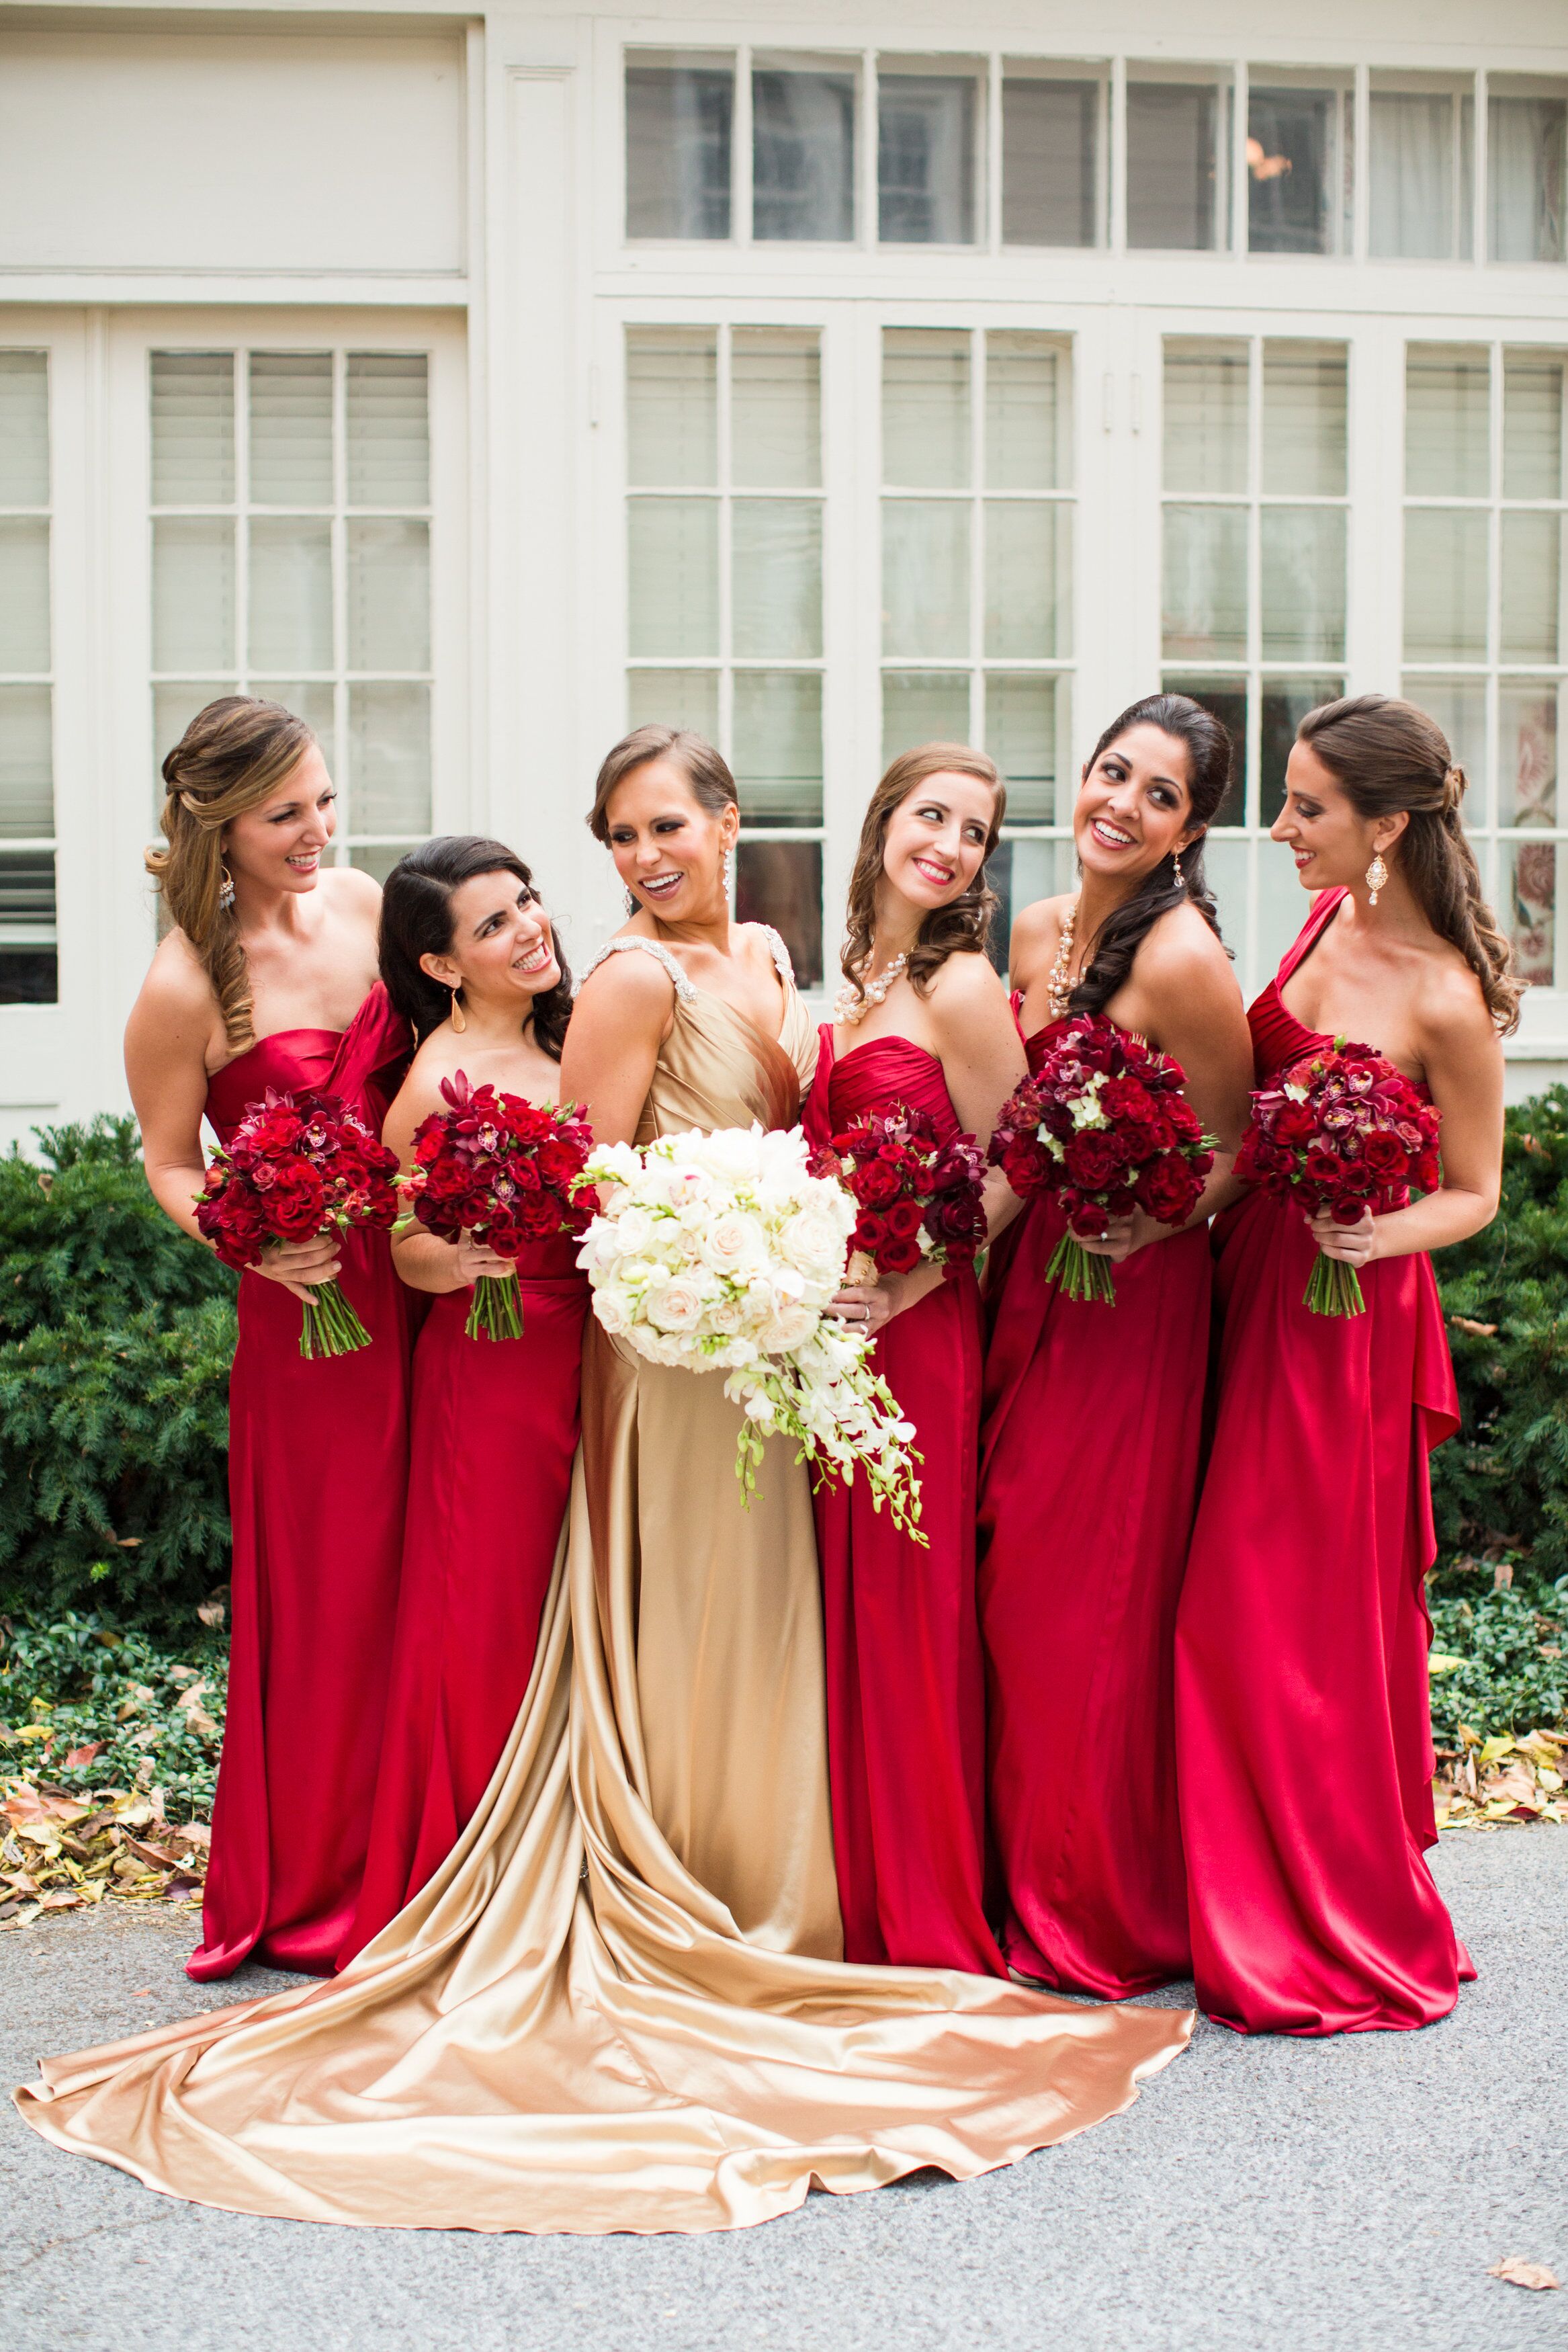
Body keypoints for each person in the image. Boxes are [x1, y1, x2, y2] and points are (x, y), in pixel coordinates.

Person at [19, 727, 1189, 2235]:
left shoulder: (770, 955)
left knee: (785, 1607)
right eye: (621, 836)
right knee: (703, 1603)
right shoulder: (631, 978)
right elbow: (591, 1183)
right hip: (681, 1338)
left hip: (777, 1332)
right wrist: (583, 1263)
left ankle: (790, 1880)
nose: (643, 860)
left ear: (727, 821)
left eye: (666, 828)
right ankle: (705, 1881)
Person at [1176, 693, 1515, 2035]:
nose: (1280, 828)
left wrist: (1375, 1232)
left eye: (1306, 807)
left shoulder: (1447, 996)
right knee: (1233, 1597)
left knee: (1267, 1610)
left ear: (1386, 826)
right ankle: (1220, 1885)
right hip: (1249, 1279)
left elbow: (1475, 1191)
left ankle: (1309, 1901)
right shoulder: (1319, 923)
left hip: (1341, 1313)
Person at [123, 696, 417, 1980]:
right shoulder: (187, 980)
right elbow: (168, 1161)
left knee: (433, 1562)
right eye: (284, 813)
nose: (317, 830)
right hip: (312, 1312)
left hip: (423, 1273)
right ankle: (319, 1876)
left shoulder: (360, 905)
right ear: (217, 825)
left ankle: (435, 1848)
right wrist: (250, 1241)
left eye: (324, 801)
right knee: (339, 1580)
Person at [977, 694, 1254, 1999]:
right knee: (1005, 1562)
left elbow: (1231, 1147)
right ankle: (1007, 1869)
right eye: (1111, 773)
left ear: (1190, 826)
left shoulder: (1185, 956)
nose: (1121, 804)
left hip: (1126, 1299)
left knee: (1078, 1593)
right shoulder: (1036, 928)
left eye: (1158, 794)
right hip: (1030, 1276)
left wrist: (1144, 1214)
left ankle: (1085, 1901)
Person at [337, 837, 587, 1966]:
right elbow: (398, 1239)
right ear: (441, 966)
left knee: (583, 1610)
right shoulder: (438, 1078)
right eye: (493, 925)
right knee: (490, 1609)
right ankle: (475, 1866)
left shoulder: (575, 1029)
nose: (529, 927)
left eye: (525, 902)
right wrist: (441, 1261)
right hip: (493, 1366)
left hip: (597, 1349)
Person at [803, 744, 1025, 1973]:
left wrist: (911, 1282)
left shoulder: (959, 988)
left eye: (977, 833)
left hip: (913, 1331)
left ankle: (922, 1904)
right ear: (886, 820)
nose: (947, 843)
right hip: (831, 1334)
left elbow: (1012, 1163)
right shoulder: (855, 981)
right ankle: (847, 1884)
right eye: (931, 816)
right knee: (843, 1599)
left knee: (906, 1602)